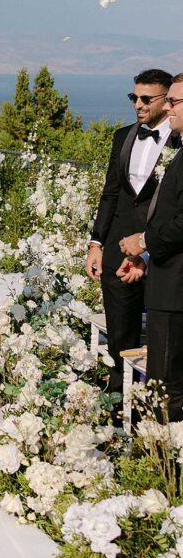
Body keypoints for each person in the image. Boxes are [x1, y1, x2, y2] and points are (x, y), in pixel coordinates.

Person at [86, 69, 175, 398]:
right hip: (117, 251)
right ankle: (117, 402)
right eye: (133, 97)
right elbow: (110, 195)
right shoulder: (123, 137)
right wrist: (96, 244)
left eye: (145, 98)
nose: (137, 104)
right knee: (120, 335)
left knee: (162, 339)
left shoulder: (179, 141)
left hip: (161, 255)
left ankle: (156, 404)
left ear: (167, 102)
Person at [118, 74, 183, 420]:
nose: (167, 108)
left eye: (174, 101)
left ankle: (164, 468)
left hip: (175, 293)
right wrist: (145, 257)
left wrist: (143, 242)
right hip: (165, 281)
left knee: (167, 392)